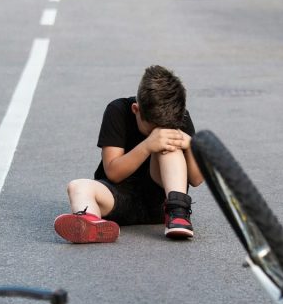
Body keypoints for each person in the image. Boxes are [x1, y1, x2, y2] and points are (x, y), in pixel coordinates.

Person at [54, 65, 204, 243]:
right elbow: (113, 173)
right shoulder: (118, 110)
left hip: (161, 202)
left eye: (163, 129)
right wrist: (148, 145)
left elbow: (196, 179)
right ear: (136, 109)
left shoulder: (178, 116)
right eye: (152, 129)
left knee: (169, 147)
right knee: (77, 186)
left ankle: (178, 214)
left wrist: (189, 145)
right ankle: (91, 223)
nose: (158, 133)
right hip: (119, 199)